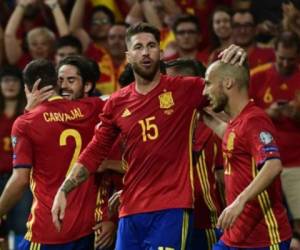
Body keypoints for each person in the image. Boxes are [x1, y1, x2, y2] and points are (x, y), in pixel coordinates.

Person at [51, 22, 246, 250]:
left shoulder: (186, 89)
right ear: (128, 55)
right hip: (130, 212)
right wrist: (64, 190)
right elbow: (94, 151)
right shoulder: (116, 102)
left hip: (172, 209)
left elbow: (229, 88)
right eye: (139, 47)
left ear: (160, 53)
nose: (145, 52)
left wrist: (238, 59)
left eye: (152, 45)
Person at [0, 59, 105, 250]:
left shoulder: (26, 123)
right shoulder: (92, 108)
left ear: (29, 88)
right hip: (85, 229)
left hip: (48, 228)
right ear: (57, 83)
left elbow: (20, 179)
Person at [202, 60, 292, 249]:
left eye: (209, 83)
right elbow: (226, 132)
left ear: (228, 83)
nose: (205, 91)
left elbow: (273, 165)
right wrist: (198, 112)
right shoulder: (238, 122)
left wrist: (239, 202)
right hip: (235, 235)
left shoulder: (254, 120)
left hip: (264, 237)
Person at [249, 31, 300, 250]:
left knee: (298, 225)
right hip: (262, 163)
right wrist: (268, 113)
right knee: (268, 224)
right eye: (281, 58)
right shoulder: (257, 75)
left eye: (291, 59)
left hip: (297, 162)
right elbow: (242, 112)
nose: (286, 63)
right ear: (274, 53)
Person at [0, 66, 29, 250]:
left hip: (21, 178)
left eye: (14, 81)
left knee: (22, 227)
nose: (10, 85)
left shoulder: (28, 113)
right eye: (5, 80)